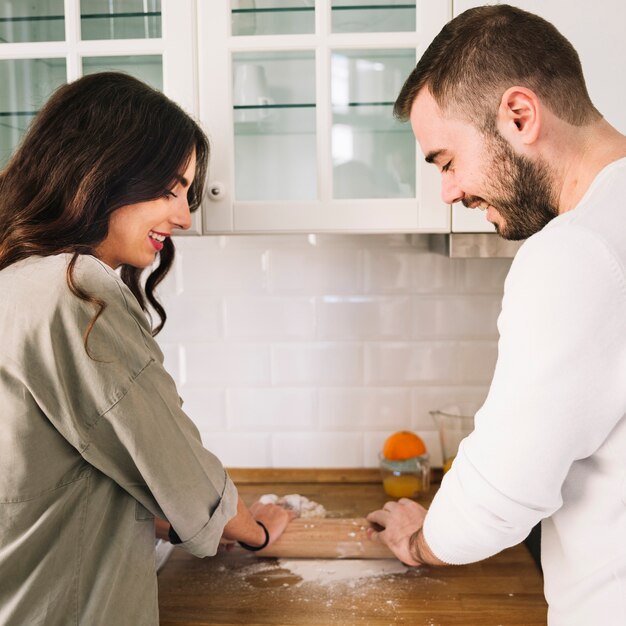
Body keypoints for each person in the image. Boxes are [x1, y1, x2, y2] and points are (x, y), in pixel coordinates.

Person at [0, 72, 293, 626]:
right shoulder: (74, 292)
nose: (183, 216)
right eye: (168, 189)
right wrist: (257, 531)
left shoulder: (18, 279)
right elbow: (178, 467)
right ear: (101, 172)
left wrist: (165, 519)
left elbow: (51, 467)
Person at [366, 5, 626, 625]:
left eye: (446, 160)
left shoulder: (576, 251)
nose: (449, 193)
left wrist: (421, 539)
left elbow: (505, 486)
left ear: (519, 115)